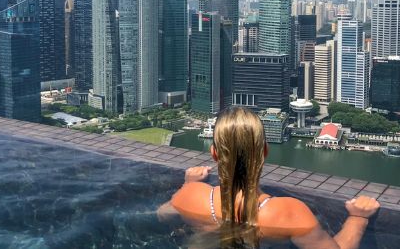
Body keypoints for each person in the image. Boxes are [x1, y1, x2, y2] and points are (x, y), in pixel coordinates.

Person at [158, 106, 379, 248]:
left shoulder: (189, 195)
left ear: (214, 153)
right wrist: (358, 218)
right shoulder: (288, 213)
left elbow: (162, 215)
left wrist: (189, 185)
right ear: (264, 151)